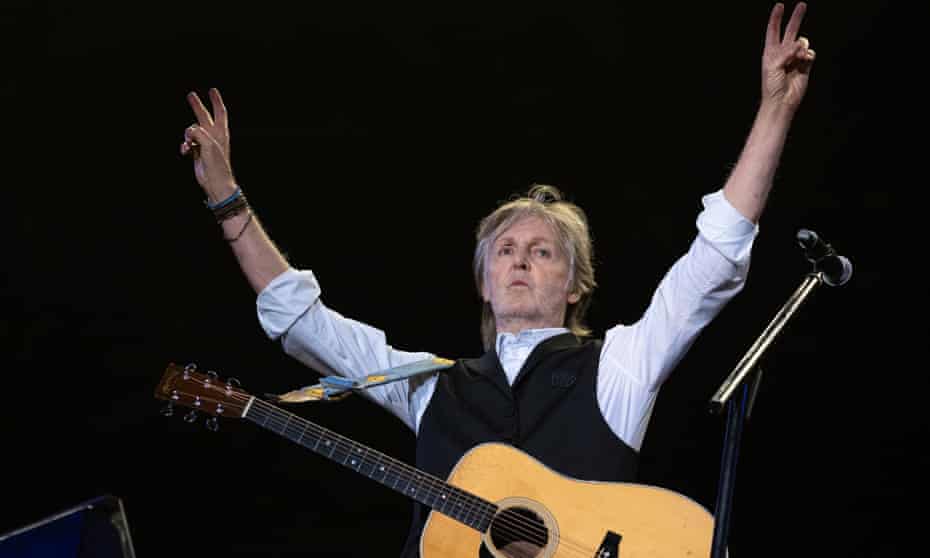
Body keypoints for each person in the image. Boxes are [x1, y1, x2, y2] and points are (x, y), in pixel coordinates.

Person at [180, 3, 815, 556]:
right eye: (506, 249)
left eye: (543, 252)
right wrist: (226, 199)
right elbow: (302, 320)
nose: (519, 260)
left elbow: (712, 264)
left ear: (575, 285)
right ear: (483, 281)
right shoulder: (431, 386)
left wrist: (775, 109)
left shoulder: (619, 367)